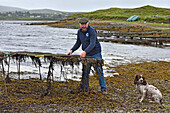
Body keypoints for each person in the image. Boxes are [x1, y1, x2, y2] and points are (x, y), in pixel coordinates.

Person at [67, 18, 107, 95]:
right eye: (82, 24)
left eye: (85, 24)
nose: (84, 26)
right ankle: (85, 87)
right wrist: (72, 50)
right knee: (85, 71)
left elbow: (92, 43)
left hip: (96, 53)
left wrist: (85, 51)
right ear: (79, 25)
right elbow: (78, 43)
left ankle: (103, 88)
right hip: (87, 54)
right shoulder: (79, 32)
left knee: (99, 71)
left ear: (88, 24)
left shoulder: (92, 31)